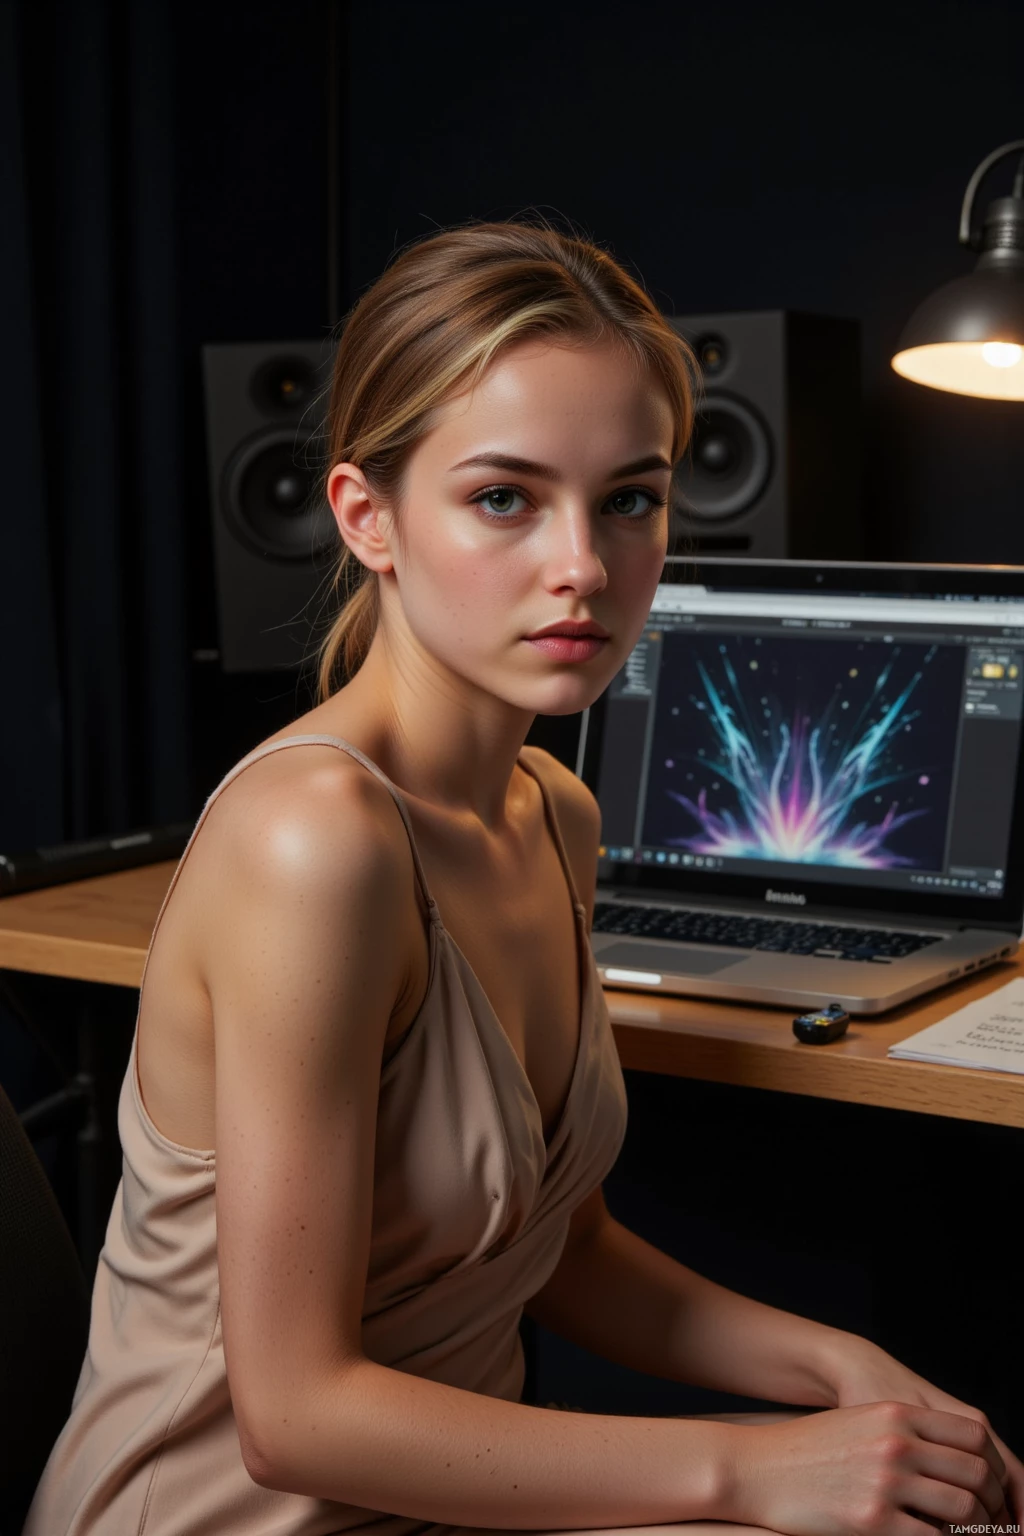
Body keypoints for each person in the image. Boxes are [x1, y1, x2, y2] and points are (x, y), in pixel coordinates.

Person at [24, 218, 1022, 1536]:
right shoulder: (313, 841)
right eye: (506, 497)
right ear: (367, 518)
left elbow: (561, 1251)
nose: (586, 568)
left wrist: (842, 1374)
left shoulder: (554, 811)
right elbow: (296, 1418)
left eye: (631, 497)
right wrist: (753, 1468)